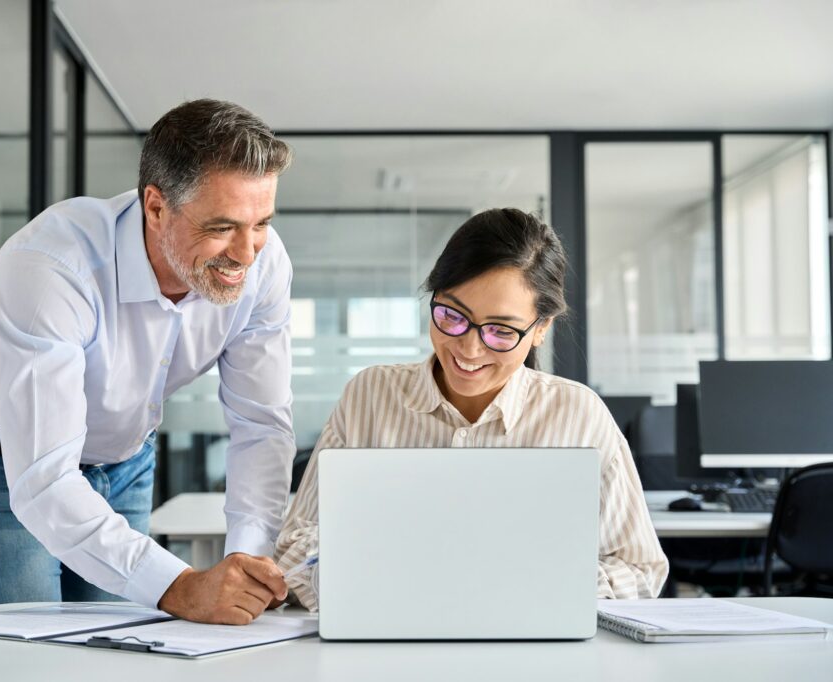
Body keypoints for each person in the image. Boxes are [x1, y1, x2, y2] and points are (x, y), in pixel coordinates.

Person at [0, 99, 294, 625]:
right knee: (24, 649)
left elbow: (260, 424)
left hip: (125, 456)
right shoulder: (50, 267)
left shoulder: (263, 265)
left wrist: (247, 562)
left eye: (260, 223)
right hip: (5, 456)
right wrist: (179, 587)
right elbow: (45, 481)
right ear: (156, 207)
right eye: (222, 227)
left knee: (120, 650)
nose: (246, 253)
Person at [275, 208, 669, 611]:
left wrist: (543, 586)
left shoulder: (579, 415)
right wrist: (358, 579)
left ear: (540, 329)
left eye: (500, 330)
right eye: (452, 315)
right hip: (389, 632)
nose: (468, 348)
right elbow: (295, 544)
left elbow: (639, 568)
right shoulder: (371, 396)